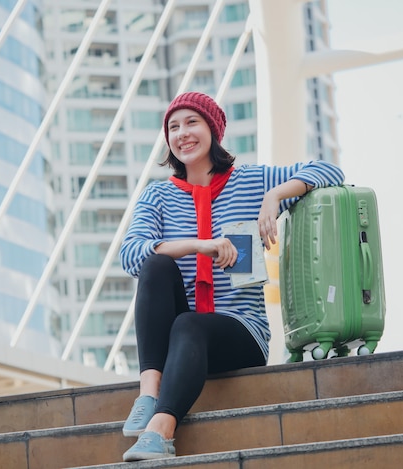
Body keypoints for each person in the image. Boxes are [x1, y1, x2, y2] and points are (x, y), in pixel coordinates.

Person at [118, 91, 345, 461]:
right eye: (173, 127)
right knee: (156, 266)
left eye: (192, 122)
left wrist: (274, 196)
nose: (182, 134)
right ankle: (148, 393)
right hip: (179, 341)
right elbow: (130, 256)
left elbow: (329, 170)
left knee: (190, 324)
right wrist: (199, 245)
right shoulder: (156, 197)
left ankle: (161, 431)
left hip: (242, 333)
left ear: (213, 129)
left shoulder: (250, 182)